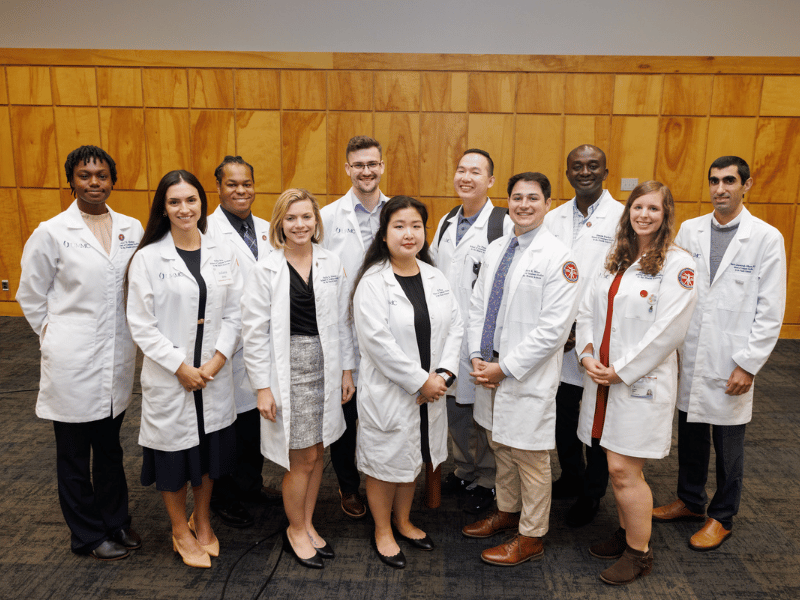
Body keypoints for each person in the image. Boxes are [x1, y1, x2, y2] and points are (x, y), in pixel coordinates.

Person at [652, 156, 786, 551]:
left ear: (747, 185)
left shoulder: (765, 237)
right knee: (691, 433)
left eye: (729, 181)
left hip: (733, 356)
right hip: (689, 351)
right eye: (714, 181)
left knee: (729, 442)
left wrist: (748, 363)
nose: (720, 188)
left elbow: (771, 307)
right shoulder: (690, 230)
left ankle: (722, 515)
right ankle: (690, 500)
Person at [16, 145, 143, 561]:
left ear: (112, 180)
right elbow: (30, 295)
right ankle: (87, 535)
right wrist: (53, 335)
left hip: (116, 356)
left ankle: (116, 521)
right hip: (71, 359)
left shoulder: (131, 228)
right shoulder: (51, 232)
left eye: (102, 175)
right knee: (73, 453)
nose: (94, 183)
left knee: (110, 447)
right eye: (85, 175)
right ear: (71, 180)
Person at [576, 181, 697, 585]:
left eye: (654, 209)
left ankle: (639, 552)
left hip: (639, 384)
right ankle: (630, 531)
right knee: (615, 468)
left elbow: (668, 333)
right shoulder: (616, 257)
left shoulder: (679, 265)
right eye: (638, 207)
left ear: (666, 215)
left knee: (625, 470)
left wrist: (621, 370)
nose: (644, 215)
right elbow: (587, 311)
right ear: (628, 211)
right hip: (602, 377)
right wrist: (588, 353)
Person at [126, 170, 242, 569]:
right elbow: (141, 324)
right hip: (170, 377)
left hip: (212, 374)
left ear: (202, 204)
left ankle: (203, 521)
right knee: (174, 456)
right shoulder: (147, 258)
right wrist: (179, 366)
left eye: (191, 200)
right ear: (163, 207)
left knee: (208, 454)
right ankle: (179, 529)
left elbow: (236, 312)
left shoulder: (222, 253)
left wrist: (217, 359)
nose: (184, 208)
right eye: (174, 202)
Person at [463, 172, 580, 566]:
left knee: (530, 457)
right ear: (507, 202)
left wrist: (505, 368)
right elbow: (479, 305)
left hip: (524, 375)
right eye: (517, 197)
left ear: (548, 204)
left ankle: (531, 536)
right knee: (500, 445)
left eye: (533, 198)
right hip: (489, 368)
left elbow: (553, 331)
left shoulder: (560, 258)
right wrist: (478, 354)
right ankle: (508, 513)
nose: (524, 205)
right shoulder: (497, 247)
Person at [241, 189, 355, 570]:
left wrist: (346, 370)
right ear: (279, 224)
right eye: (291, 218)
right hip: (288, 370)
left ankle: (306, 523)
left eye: (306, 217)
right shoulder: (265, 270)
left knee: (318, 450)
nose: (300, 224)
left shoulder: (331, 261)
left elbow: (341, 321)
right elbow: (253, 333)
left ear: (316, 222)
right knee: (300, 457)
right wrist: (262, 387)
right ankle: (294, 529)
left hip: (326, 364)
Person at [352, 196, 463, 569]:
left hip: (429, 390)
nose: (409, 233)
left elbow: (455, 328)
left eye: (416, 225)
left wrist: (443, 375)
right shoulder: (372, 282)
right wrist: (420, 381)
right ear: (384, 234)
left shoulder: (435, 277)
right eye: (399, 226)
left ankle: (403, 520)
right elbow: (377, 343)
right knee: (385, 463)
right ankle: (383, 528)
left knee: (412, 458)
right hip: (392, 391)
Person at [543, 144, 624, 527]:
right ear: (567, 172)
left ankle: (593, 492)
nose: (585, 171)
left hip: (598, 338)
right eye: (577, 166)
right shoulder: (553, 217)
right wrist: (560, 324)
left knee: (595, 420)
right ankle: (571, 476)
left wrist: (584, 328)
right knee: (561, 416)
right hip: (559, 336)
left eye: (593, 166)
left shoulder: (623, 218)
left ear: (606, 172)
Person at [430, 149, 512, 514]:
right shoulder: (447, 220)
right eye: (461, 170)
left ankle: (490, 478)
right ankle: (465, 468)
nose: (466, 177)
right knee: (455, 407)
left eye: (475, 172)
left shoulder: (502, 222)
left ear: (490, 180)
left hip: (482, 335)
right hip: (448, 333)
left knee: (483, 408)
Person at [206, 155, 281, 529]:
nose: (241, 190)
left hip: (261, 343)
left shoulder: (270, 230)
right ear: (218, 187)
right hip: (224, 345)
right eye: (232, 184)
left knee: (254, 422)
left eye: (246, 183)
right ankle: (224, 496)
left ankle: (251, 485)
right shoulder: (205, 230)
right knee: (225, 426)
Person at [320, 135, 390, 519]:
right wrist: (346, 360)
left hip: (387, 332)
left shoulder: (396, 212)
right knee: (346, 419)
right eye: (358, 165)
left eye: (372, 164)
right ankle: (349, 487)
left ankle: (384, 483)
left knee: (384, 416)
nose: (366, 171)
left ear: (382, 166)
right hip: (343, 334)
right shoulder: (328, 218)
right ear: (347, 169)